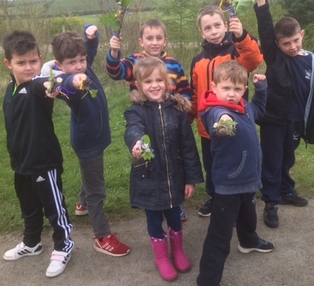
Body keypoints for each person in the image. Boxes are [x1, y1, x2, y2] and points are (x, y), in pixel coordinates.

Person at [251, 0, 314, 228]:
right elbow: (265, 31)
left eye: (295, 40)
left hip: (296, 120)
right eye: (286, 43)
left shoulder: (313, 62)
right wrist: (262, 2)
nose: (292, 47)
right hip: (274, 119)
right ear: (277, 44)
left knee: (287, 158)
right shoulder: (275, 58)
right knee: (272, 160)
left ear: (301, 35)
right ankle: (271, 201)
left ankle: (286, 190)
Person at [48, 25, 130, 256]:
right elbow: (64, 85)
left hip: (97, 137)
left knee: (90, 176)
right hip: (88, 143)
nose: (79, 66)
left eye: (81, 60)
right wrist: (73, 81)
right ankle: (102, 236)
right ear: (59, 65)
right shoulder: (67, 83)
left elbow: (90, 48)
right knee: (98, 190)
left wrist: (89, 34)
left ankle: (82, 204)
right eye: (72, 62)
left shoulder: (86, 65)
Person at [1, 30, 74, 278]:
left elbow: (46, 84)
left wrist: (55, 84)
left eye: (33, 61)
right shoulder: (11, 89)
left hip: (44, 163)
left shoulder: (36, 86)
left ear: (40, 59)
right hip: (21, 164)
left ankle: (64, 244)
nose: (29, 67)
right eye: (21, 63)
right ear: (8, 64)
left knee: (55, 208)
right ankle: (32, 243)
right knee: (29, 207)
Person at [124, 57, 203, 281]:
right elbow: (133, 130)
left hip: (174, 177)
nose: (154, 85)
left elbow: (188, 148)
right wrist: (137, 143)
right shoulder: (136, 112)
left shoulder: (177, 111)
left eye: (159, 79)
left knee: (175, 216)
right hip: (149, 178)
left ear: (167, 82)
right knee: (154, 219)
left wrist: (191, 179)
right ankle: (161, 257)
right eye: (148, 81)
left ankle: (177, 250)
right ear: (139, 85)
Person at [196, 60, 274, 286]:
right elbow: (217, 119)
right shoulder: (214, 110)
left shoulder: (245, 106)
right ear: (214, 87)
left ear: (244, 90)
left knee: (248, 216)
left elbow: (258, 109)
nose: (231, 94)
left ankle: (248, 241)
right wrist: (224, 121)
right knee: (219, 236)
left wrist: (262, 89)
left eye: (237, 89)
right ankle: (208, 279)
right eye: (226, 88)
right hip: (229, 184)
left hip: (249, 179)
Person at [106, 18, 191, 221]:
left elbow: (186, 91)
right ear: (141, 41)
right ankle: (153, 201)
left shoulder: (174, 65)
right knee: (151, 161)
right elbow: (115, 71)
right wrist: (114, 52)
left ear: (165, 41)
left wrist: (184, 116)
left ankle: (174, 202)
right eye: (149, 38)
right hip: (146, 119)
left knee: (174, 161)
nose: (154, 42)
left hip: (171, 120)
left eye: (158, 38)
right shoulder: (135, 61)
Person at [190, 5, 264, 217]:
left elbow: (254, 59)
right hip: (207, 127)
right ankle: (216, 199)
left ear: (225, 26)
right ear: (201, 32)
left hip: (235, 124)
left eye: (217, 25)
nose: (213, 31)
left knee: (234, 164)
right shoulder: (197, 60)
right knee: (212, 166)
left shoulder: (236, 50)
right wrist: (188, 117)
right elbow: (196, 93)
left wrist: (240, 36)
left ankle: (238, 200)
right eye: (207, 28)